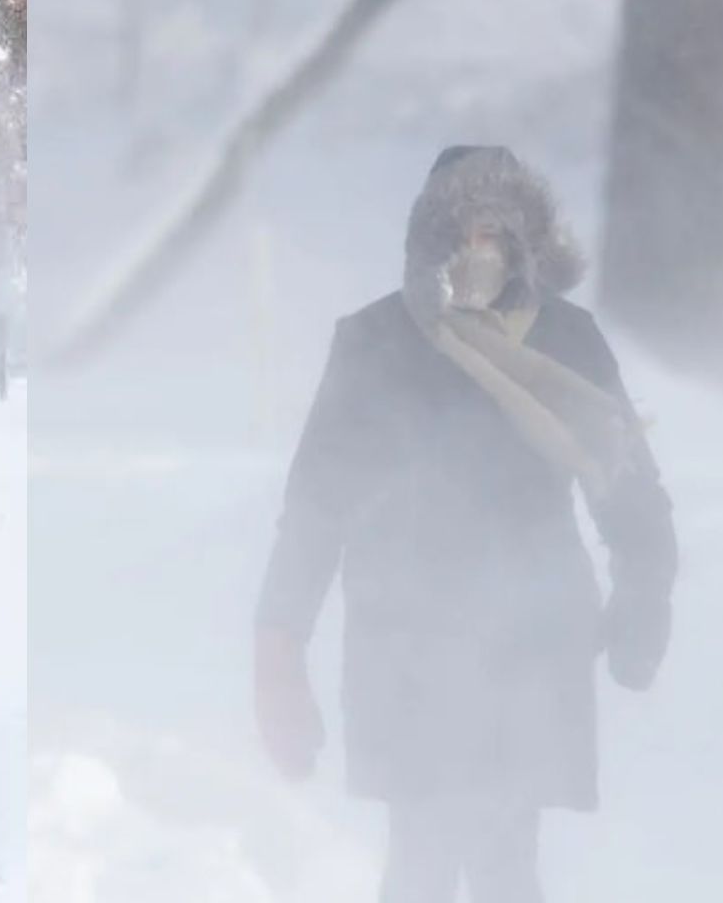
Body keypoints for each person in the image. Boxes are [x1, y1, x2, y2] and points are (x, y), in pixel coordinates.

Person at [254, 146, 678, 903]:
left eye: (495, 235)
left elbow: (630, 485)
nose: (477, 253)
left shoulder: (566, 340)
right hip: (405, 639)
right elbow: (315, 510)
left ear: (523, 244)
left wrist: (644, 587)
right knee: (421, 855)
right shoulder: (377, 341)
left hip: (532, 637)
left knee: (508, 861)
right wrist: (280, 648)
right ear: (430, 240)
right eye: (462, 233)